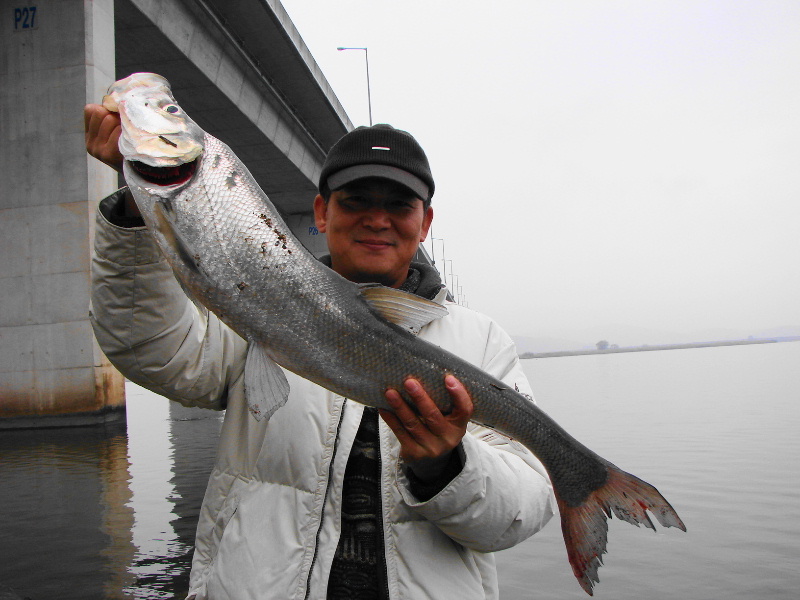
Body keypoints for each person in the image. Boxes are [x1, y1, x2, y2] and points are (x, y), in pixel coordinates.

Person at [85, 103, 555, 600]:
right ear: (321, 213)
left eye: (399, 205)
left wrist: (447, 468)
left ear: (425, 223)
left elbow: (521, 511)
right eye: (356, 201)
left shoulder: (482, 342)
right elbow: (151, 350)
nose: (378, 219)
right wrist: (139, 209)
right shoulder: (252, 305)